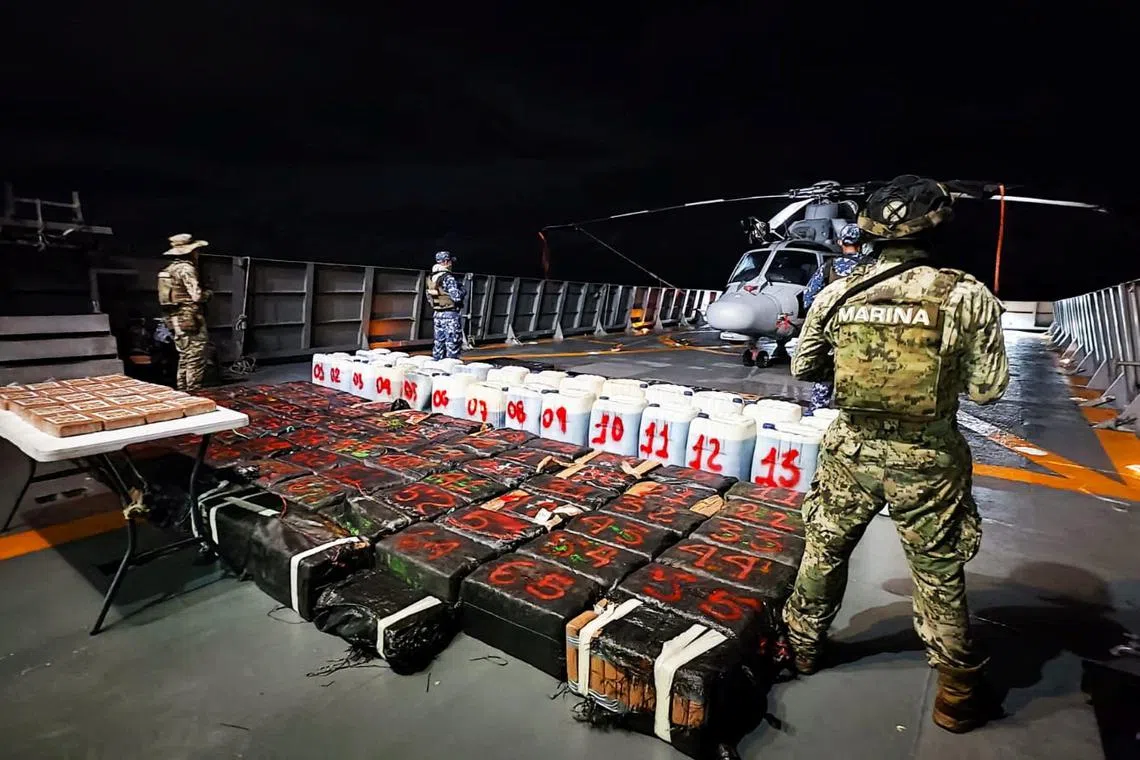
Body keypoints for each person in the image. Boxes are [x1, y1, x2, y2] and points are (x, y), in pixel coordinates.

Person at [782, 175, 1009, 734]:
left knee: (825, 548)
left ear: (868, 233)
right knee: (936, 570)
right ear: (935, 228)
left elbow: (805, 368)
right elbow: (987, 390)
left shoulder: (838, 293)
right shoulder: (965, 294)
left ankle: (803, 649)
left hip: (850, 451)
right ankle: (956, 693)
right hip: (928, 459)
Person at [802, 223, 868, 411]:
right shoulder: (873, 267)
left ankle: (816, 414)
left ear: (840, 242)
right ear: (862, 243)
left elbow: (809, 297)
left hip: (833, 330)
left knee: (824, 378)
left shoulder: (830, 266)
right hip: (862, 330)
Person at [157, 233, 211, 391]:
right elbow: (196, 295)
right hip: (190, 317)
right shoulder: (186, 269)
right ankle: (194, 392)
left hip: (174, 318)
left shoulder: (169, 269)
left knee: (184, 356)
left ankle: (183, 391)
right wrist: (208, 294)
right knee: (196, 356)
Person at [425, 250, 465, 360]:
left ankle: (437, 367)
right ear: (446, 261)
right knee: (453, 343)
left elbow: (429, 297)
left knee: (439, 344)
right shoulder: (448, 277)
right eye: (450, 261)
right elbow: (456, 297)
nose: (451, 264)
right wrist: (462, 290)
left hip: (437, 314)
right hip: (450, 315)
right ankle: (451, 369)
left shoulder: (431, 277)